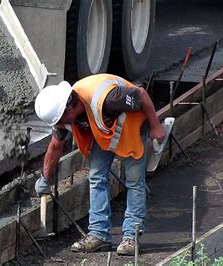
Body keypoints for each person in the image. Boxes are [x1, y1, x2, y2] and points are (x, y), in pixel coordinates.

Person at [34, 74, 166, 255]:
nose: (60, 125)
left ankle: (131, 237)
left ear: (69, 110)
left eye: (61, 121)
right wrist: (45, 178)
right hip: (106, 130)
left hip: (133, 126)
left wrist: (155, 125)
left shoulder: (110, 99)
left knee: (134, 181)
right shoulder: (66, 112)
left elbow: (141, 94)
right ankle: (99, 235)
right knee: (96, 176)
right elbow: (56, 146)